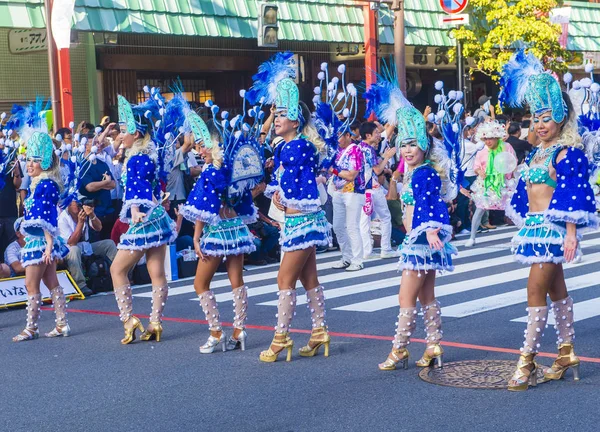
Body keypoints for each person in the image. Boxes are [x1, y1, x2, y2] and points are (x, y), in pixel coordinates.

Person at [500, 50, 599, 390]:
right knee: (557, 289)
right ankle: (566, 352)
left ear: (560, 117)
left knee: (534, 289)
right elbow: (524, 195)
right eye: (535, 118)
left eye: (546, 118)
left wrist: (571, 234)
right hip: (536, 229)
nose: (540, 125)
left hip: (554, 229)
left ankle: (525, 362)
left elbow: (573, 192)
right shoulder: (537, 152)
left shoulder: (566, 152)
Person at [365, 77, 463, 371]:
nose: (407, 150)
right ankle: (433, 345)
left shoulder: (424, 173)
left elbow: (431, 204)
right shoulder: (417, 171)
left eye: (412, 145)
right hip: (422, 239)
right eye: (403, 145)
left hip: (422, 241)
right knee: (425, 294)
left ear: (423, 145)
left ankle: (399, 350)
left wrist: (432, 229)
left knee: (405, 296)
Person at [247, 52, 334, 362]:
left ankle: (281, 338)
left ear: (296, 119)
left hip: (301, 221)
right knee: (308, 278)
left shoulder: (296, 146)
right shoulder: (289, 145)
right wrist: (278, 193)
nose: (277, 119)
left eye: (282, 114)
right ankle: (319, 330)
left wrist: (281, 195)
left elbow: (297, 186)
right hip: (302, 220)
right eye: (277, 114)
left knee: (284, 280)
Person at [180, 96, 262, 353]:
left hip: (217, 232)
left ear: (214, 143)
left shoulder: (210, 172)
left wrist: (195, 237)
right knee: (236, 279)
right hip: (236, 228)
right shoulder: (231, 168)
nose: (199, 151)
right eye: (197, 147)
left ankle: (216, 333)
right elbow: (248, 196)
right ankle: (239, 330)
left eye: (202, 145)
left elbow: (203, 210)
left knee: (200, 284)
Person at [109, 91, 178, 344]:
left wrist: (135, 209)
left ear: (136, 134)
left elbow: (136, 185)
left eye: (123, 130)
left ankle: (129, 320)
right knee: (156, 271)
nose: (119, 135)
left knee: (117, 269)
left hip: (144, 217)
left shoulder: (137, 157)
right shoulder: (151, 154)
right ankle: (156, 322)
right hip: (157, 215)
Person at [9, 105, 70, 341]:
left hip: (41, 242)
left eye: (34, 160)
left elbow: (47, 218)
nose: (30, 164)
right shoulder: (42, 183)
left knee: (30, 284)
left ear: (44, 162)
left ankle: (31, 328)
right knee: (50, 280)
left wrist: (47, 245)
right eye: (28, 160)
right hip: (44, 240)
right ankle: (62, 323)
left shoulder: (44, 184)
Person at [465, 121, 517, 247]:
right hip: (487, 183)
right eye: (485, 138)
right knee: (480, 209)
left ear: (497, 137)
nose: (488, 141)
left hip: (504, 181)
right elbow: (476, 165)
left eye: (491, 138)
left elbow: (513, 162)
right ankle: (472, 237)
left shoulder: (506, 146)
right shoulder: (482, 149)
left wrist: (511, 175)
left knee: (513, 208)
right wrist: (480, 171)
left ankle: (522, 232)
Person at [58, 198, 118, 296]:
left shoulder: (84, 213)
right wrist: (80, 223)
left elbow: (99, 228)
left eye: (80, 203)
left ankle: (118, 275)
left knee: (109, 244)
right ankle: (81, 285)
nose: (80, 205)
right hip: (68, 250)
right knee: (74, 249)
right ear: (68, 204)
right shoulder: (63, 218)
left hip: (86, 247)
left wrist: (91, 215)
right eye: (76, 203)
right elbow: (71, 242)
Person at [358, 122, 398, 259]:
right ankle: (385, 248)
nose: (378, 135)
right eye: (376, 133)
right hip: (371, 188)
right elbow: (377, 170)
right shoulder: (368, 149)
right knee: (385, 217)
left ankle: (366, 250)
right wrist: (387, 157)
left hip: (360, 188)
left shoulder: (359, 147)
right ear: (368, 135)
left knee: (364, 220)